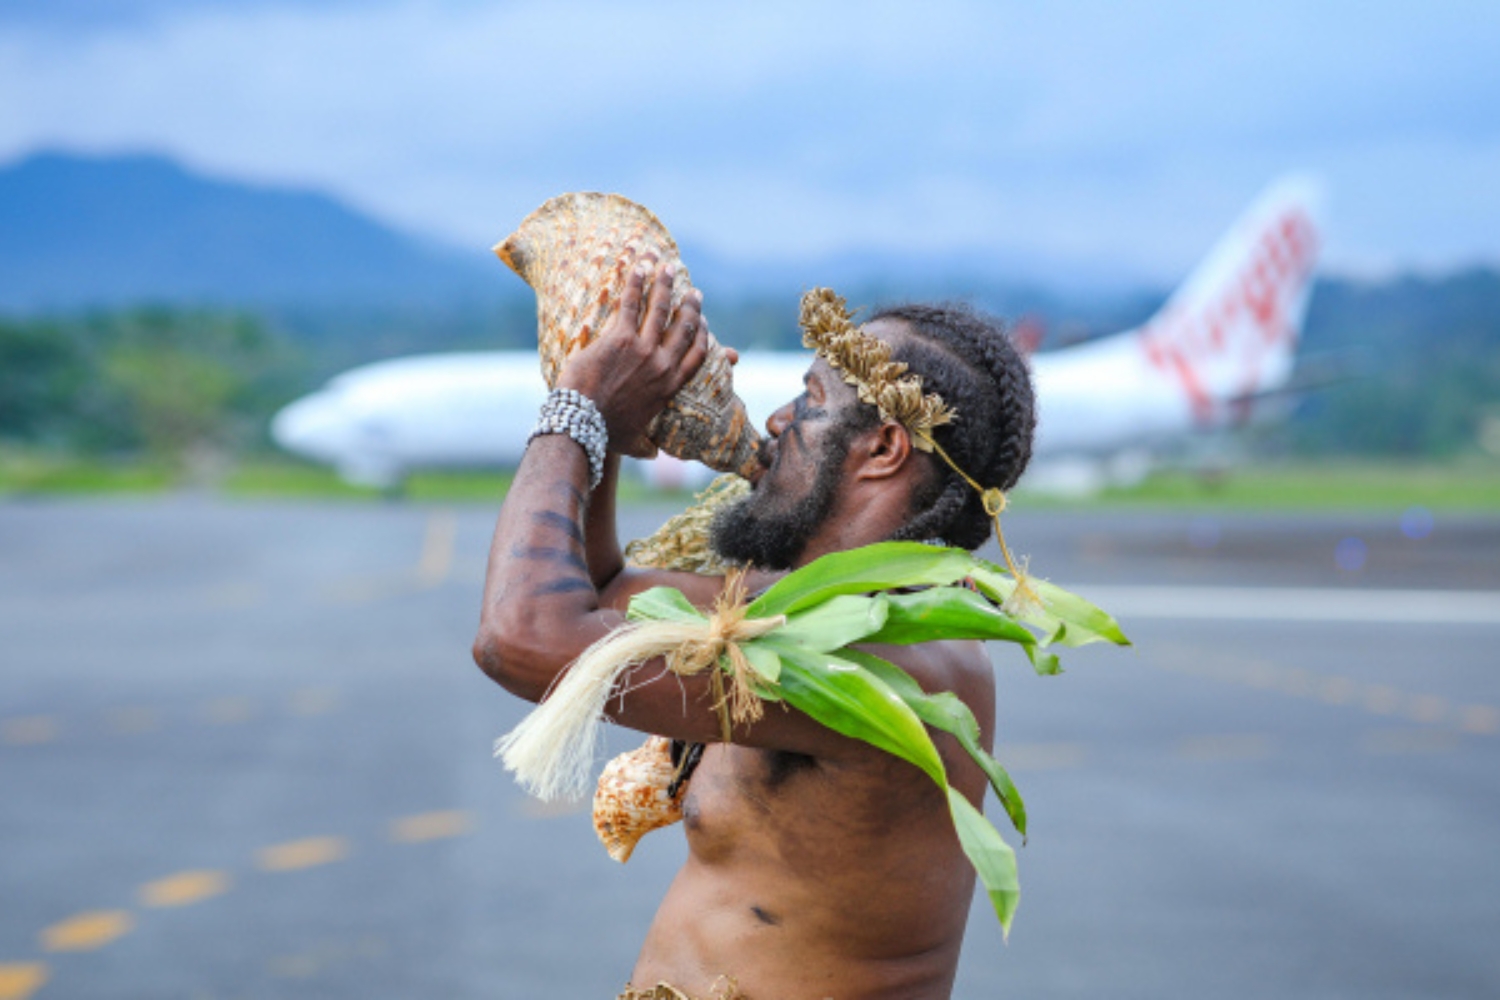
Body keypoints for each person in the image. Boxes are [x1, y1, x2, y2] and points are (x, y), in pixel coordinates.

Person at [472, 255, 1037, 1000]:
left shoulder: (892, 659)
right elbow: (601, 592)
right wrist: (612, 424)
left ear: (882, 449)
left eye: (809, 401)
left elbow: (522, 639)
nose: (777, 421)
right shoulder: (800, 607)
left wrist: (575, 404)